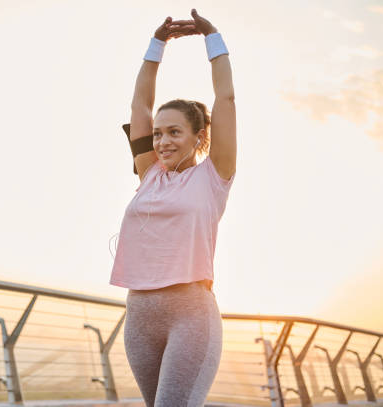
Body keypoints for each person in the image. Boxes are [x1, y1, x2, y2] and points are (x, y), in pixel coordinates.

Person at [108, 8, 236, 407]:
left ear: (199, 137)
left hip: (191, 314)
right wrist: (156, 44)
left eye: (174, 132)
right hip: (140, 315)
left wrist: (213, 40)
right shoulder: (148, 173)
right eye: (159, 133)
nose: (162, 141)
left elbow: (226, 98)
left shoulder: (215, 175)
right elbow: (139, 108)